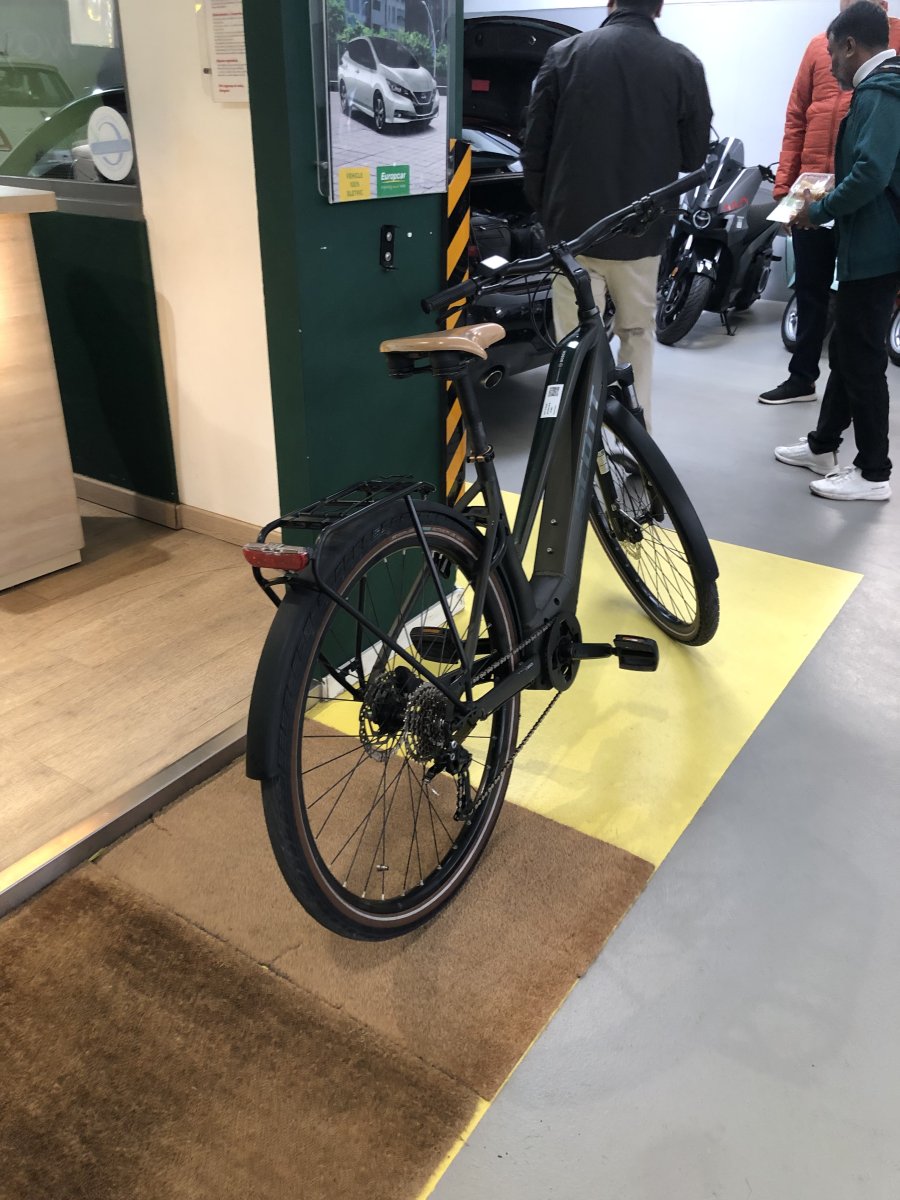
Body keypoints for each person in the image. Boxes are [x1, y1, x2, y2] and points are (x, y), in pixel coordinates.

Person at [521, 0, 712, 427]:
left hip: (573, 234)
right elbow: (693, 155)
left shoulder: (564, 54)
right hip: (641, 233)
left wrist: (546, 211)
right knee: (637, 335)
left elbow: (534, 144)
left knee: (573, 343)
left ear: (610, 2)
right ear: (659, 8)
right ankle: (635, 440)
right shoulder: (684, 63)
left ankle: (574, 437)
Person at [774, 0, 900, 501]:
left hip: (876, 248)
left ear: (849, 45)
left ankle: (874, 473)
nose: (829, 64)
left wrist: (819, 209)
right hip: (868, 244)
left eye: (831, 53)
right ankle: (823, 445)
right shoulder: (879, 89)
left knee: (863, 359)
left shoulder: (880, 93)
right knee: (849, 350)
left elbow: (870, 173)